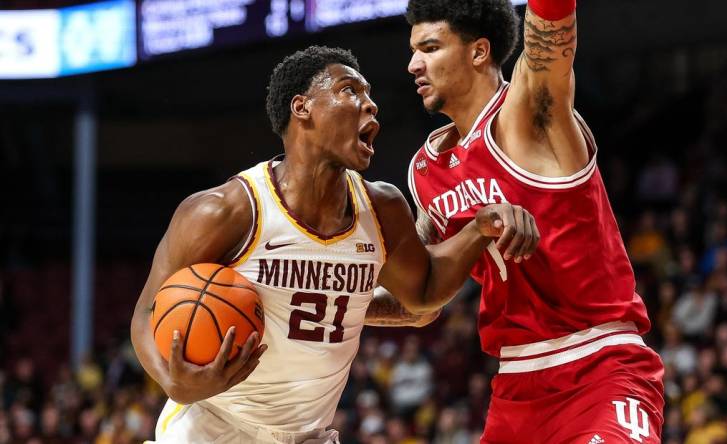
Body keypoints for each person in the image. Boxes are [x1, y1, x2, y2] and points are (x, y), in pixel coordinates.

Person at [129, 46, 538, 444]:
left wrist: (480, 228)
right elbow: (148, 310)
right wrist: (173, 382)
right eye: (349, 90)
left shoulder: (382, 208)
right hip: (214, 427)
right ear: (302, 107)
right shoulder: (226, 210)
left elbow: (424, 297)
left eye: (371, 96)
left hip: (310, 434)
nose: (370, 105)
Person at [402, 0, 666, 442]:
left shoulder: (529, 113)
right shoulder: (426, 171)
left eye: (429, 47)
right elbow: (419, 302)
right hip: (514, 391)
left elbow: (551, 22)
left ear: (479, 52)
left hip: (600, 367)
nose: (413, 64)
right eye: (413, 50)